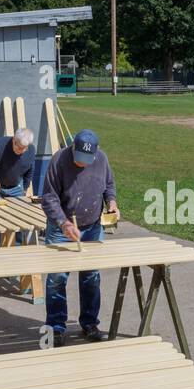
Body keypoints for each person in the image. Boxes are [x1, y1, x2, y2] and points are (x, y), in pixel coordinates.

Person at [39, 128, 119, 347]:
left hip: (93, 226)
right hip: (62, 227)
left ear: (96, 152)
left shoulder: (101, 159)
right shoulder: (59, 160)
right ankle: (55, 327)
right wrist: (63, 223)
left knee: (91, 276)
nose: (82, 163)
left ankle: (90, 324)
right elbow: (48, 198)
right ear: (72, 148)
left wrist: (111, 203)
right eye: (79, 159)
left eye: (87, 159)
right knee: (56, 279)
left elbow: (109, 186)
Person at [0, 126, 35, 247]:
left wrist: (25, 187)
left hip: (16, 187)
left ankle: (17, 249)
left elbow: (30, 169)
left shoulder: (30, 150)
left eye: (24, 149)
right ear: (13, 140)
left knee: (19, 220)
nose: (21, 151)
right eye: (19, 147)